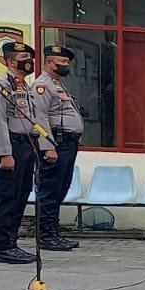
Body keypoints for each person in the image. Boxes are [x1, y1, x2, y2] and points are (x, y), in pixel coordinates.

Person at [0, 42, 46, 264]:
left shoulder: (24, 86)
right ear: (10, 61)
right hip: (10, 145)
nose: (28, 60)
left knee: (20, 196)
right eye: (23, 56)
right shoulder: (1, 84)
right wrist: (4, 153)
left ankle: (12, 243)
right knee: (7, 197)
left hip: (25, 144)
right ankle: (3, 246)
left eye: (30, 56)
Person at [32, 45, 83, 251]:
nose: (65, 65)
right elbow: (40, 117)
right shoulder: (42, 85)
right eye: (61, 62)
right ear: (49, 62)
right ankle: (45, 235)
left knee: (61, 188)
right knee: (49, 189)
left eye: (67, 62)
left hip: (67, 143)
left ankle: (53, 232)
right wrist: (47, 147)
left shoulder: (58, 85)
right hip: (56, 143)